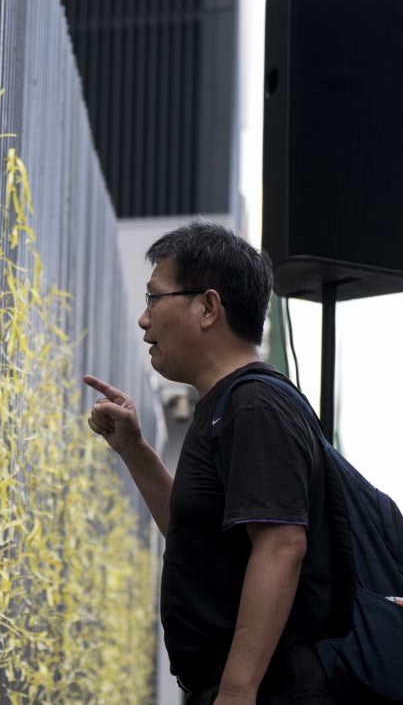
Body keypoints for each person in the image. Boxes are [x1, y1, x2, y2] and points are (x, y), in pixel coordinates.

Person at [84, 221, 338, 705]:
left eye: (154, 299)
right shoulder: (229, 405)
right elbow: (193, 535)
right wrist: (134, 450)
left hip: (268, 691)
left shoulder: (255, 404)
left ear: (207, 307)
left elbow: (282, 544)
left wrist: (237, 692)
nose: (143, 319)